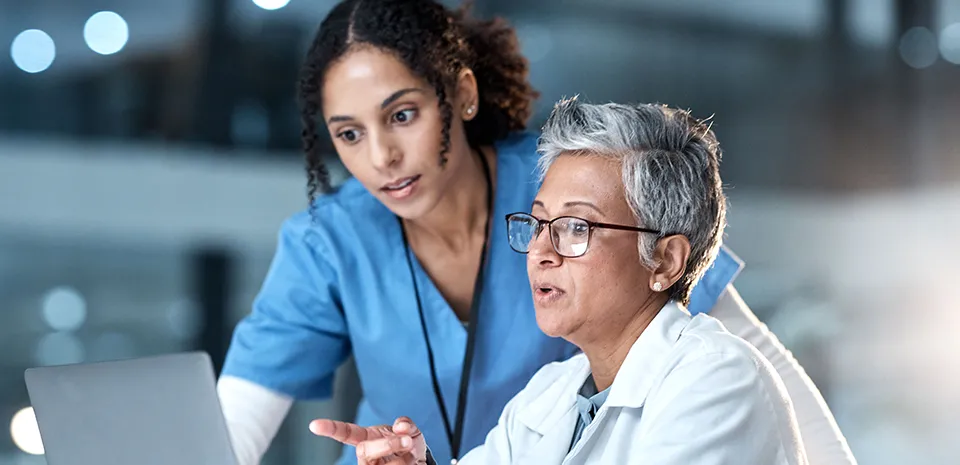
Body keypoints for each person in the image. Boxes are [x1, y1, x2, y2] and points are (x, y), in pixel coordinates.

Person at [217, 1, 856, 464]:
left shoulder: (563, 179)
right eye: (348, 134)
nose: (380, 156)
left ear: (461, 96)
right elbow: (229, 432)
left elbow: (750, 354)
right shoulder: (332, 243)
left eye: (403, 115)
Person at [309, 99, 809, 465]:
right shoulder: (552, 393)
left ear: (664, 261)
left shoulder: (716, 380)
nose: (541, 252)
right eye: (538, 223)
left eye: (576, 227)